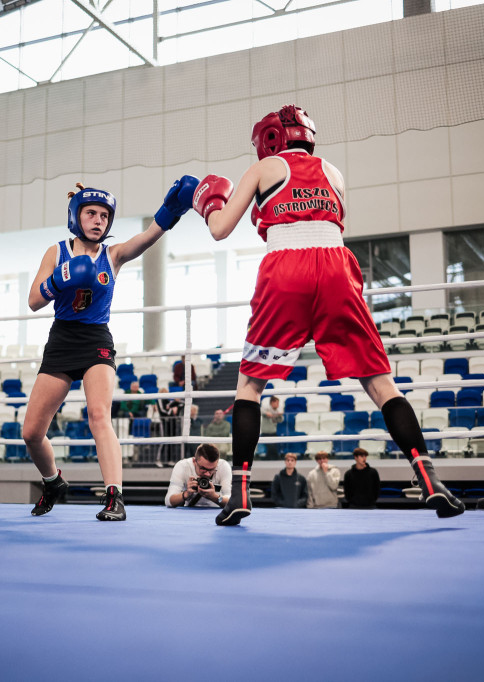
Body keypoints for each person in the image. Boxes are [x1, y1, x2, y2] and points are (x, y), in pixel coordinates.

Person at [191, 104, 464, 525]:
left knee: (250, 386)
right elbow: (334, 224)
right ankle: (430, 480)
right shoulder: (333, 173)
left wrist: (209, 203)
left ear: (268, 140)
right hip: (337, 264)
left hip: (286, 267)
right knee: (380, 383)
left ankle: (240, 493)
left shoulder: (263, 169)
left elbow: (221, 228)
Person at [23, 177, 200, 521]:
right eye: (91, 213)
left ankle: (114, 497)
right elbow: (32, 301)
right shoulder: (56, 251)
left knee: (99, 415)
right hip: (61, 339)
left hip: (95, 342)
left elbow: (147, 238)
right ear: (76, 216)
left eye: (104, 215)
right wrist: (61, 278)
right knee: (31, 433)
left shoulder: (112, 254)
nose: (98, 220)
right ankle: (53, 481)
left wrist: (169, 212)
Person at [165, 444, 232, 508]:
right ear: (194, 461)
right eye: (203, 468)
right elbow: (168, 501)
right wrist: (185, 494)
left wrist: (214, 497)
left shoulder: (223, 466)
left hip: (215, 512)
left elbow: (232, 501)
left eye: (212, 470)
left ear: (217, 463)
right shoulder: (183, 466)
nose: (207, 474)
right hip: (190, 511)